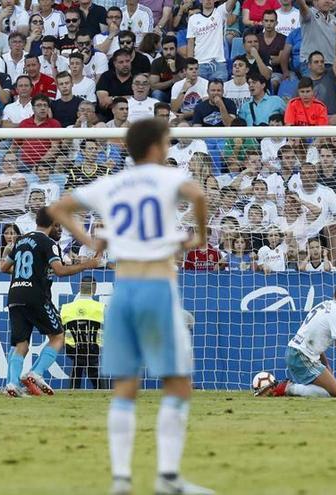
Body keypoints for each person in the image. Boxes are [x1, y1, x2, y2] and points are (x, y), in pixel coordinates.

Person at [48, 119, 212, 495]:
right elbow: (200, 197)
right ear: (156, 147)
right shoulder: (166, 179)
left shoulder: (113, 183)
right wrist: (198, 236)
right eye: (167, 142)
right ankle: (168, 478)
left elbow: (58, 208)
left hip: (122, 292)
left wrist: (90, 239)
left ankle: (121, 480)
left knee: (125, 386)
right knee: (177, 383)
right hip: (156, 286)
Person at [0, 207, 102, 398]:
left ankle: (12, 384)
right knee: (57, 336)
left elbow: (3, 267)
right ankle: (35, 373)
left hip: (14, 295)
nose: (61, 230)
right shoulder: (48, 243)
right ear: (52, 223)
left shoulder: (21, 240)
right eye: (59, 225)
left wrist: (28, 275)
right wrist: (88, 264)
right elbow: (60, 270)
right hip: (35, 295)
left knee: (21, 343)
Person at [265, 281, 336, 398]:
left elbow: (314, 337)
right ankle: (289, 388)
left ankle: (292, 388)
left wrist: (325, 365)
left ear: (335, 293)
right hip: (301, 356)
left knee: (326, 390)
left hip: (295, 352)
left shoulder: (323, 305)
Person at [61, 275, 108, 390]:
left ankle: (73, 388)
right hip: (93, 349)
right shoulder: (101, 308)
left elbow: (59, 331)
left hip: (73, 349)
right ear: (94, 288)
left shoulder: (66, 308)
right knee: (92, 365)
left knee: (78, 362)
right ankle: (102, 390)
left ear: (79, 287)